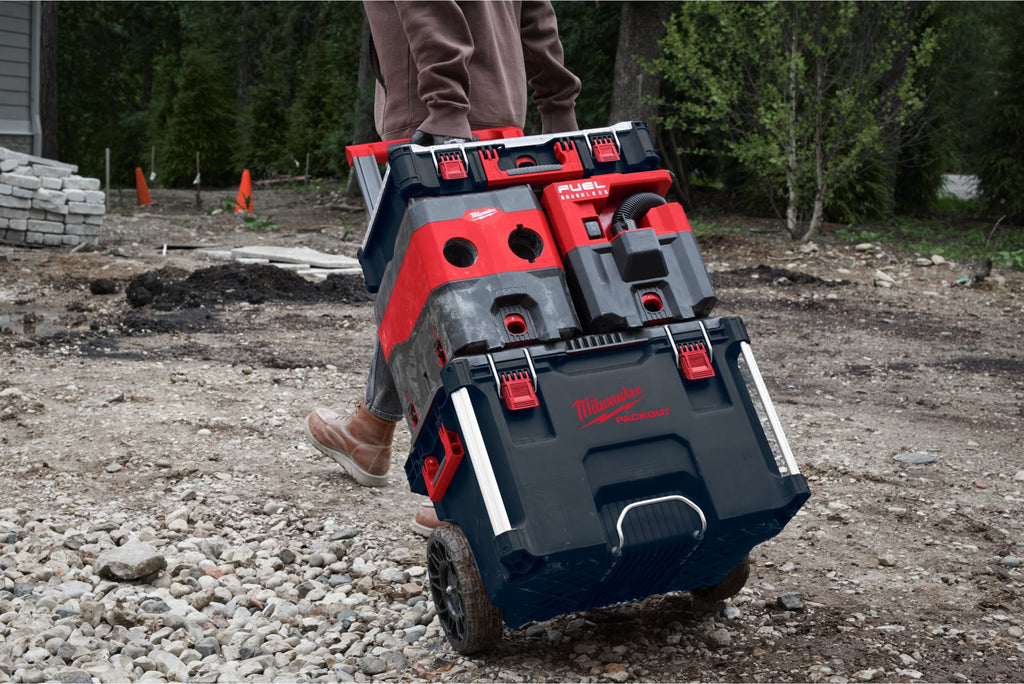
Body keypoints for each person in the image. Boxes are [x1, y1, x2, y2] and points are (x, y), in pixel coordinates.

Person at [305, 0, 581, 535]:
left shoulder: (443, 107)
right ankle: (371, 429)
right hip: (496, 111)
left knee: (443, 298)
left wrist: (447, 103)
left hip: (436, 119)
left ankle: (474, 488)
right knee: (447, 287)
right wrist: (557, 101)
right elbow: (536, 10)